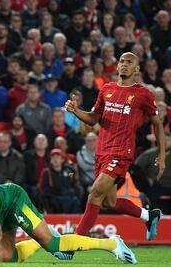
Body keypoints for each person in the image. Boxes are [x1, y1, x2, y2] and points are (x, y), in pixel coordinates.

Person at [0, 172, 136, 264]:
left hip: (13, 199)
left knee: (53, 245)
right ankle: (36, 242)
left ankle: (112, 243)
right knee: (8, 258)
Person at [65, 52, 164, 246]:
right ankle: (149, 215)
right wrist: (75, 111)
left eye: (130, 62)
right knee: (107, 202)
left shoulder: (143, 94)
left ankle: (72, 245)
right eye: (122, 61)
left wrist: (161, 155)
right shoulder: (106, 89)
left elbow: (157, 124)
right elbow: (94, 118)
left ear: (136, 69)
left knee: (94, 193)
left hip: (121, 152)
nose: (125, 64)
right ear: (117, 67)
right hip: (102, 152)